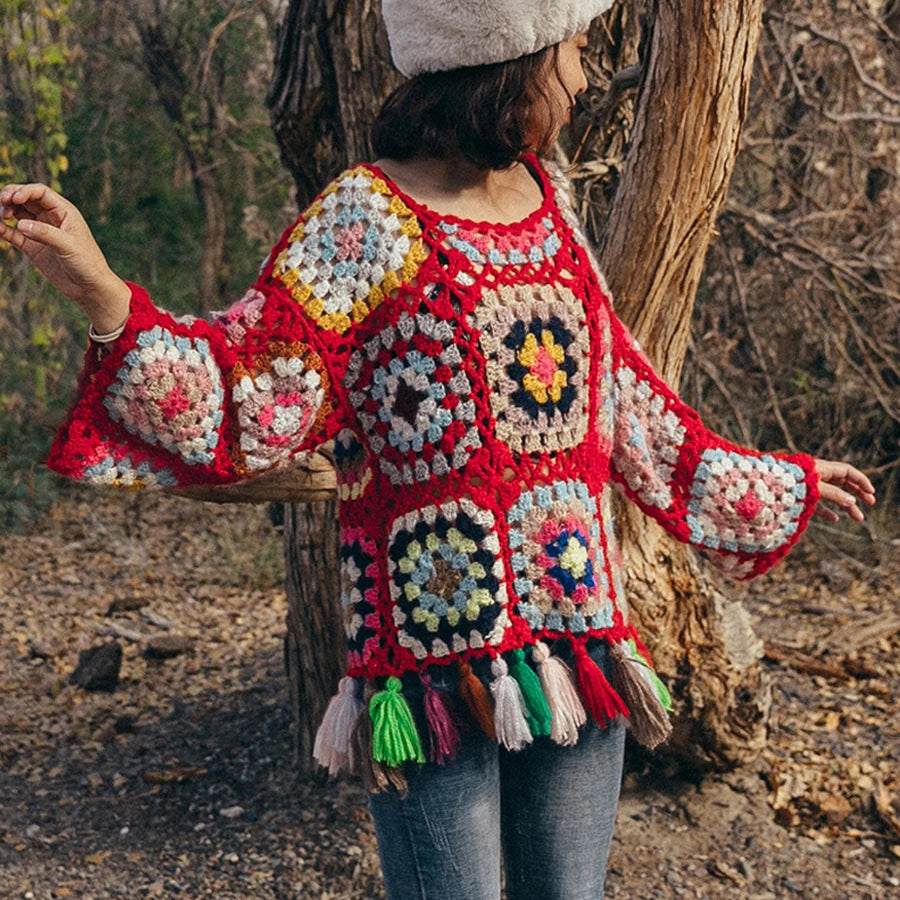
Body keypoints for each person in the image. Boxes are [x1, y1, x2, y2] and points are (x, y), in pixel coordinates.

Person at [0, 1, 876, 897]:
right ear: (508, 62)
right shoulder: (364, 218)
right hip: (428, 676)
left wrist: (772, 482)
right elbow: (242, 396)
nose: (581, 78)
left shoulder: (550, 201)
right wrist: (102, 290)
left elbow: (625, 402)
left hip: (579, 646)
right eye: (569, 54)